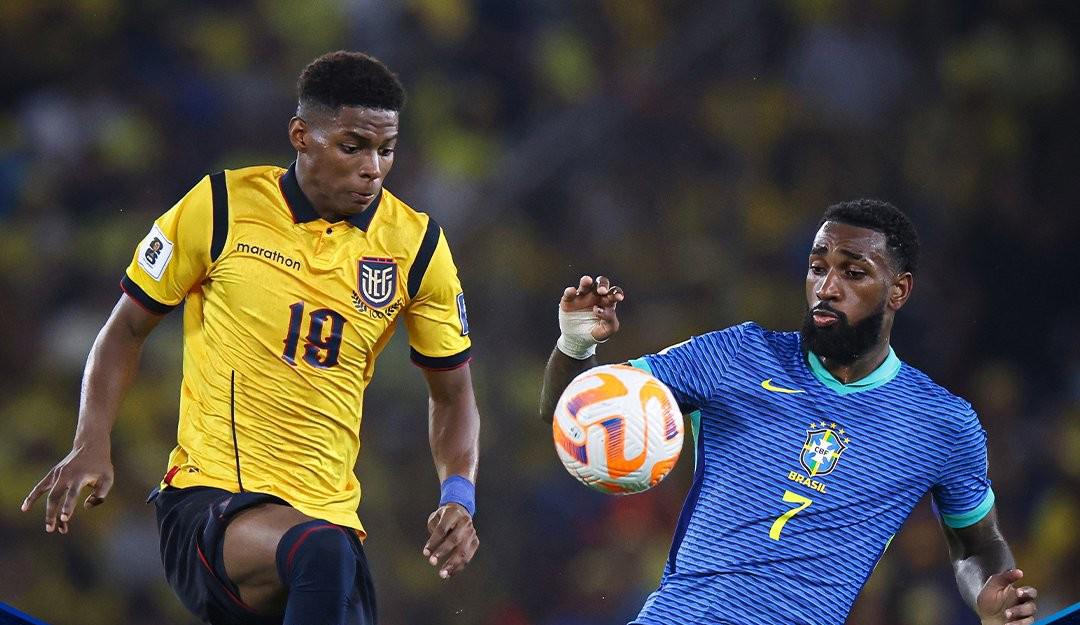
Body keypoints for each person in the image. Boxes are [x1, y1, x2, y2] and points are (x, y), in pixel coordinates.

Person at [22, 51, 481, 625]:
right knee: (320, 551)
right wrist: (92, 438)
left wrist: (458, 496)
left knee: (327, 552)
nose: (373, 168)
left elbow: (453, 394)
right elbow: (126, 329)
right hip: (211, 505)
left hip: (332, 523)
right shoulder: (221, 206)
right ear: (301, 135)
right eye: (353, 147)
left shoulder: (417, 247)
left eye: (386, 150)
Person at [540, 199, 1038, 625]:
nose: (827, 287)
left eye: (854, 273)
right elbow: (571, 414)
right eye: (818, 267)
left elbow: (976, 544)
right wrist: (576, 342)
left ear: (898, 290)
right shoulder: (736, 355)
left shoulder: (941, 423)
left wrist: (989, 594)